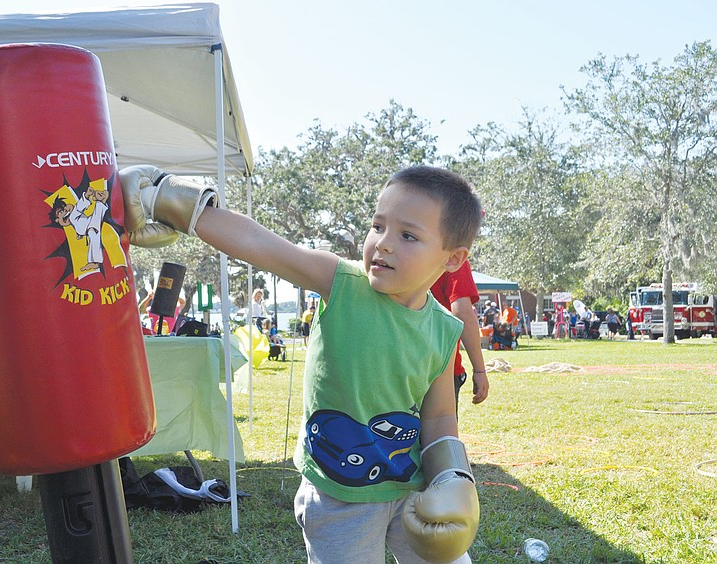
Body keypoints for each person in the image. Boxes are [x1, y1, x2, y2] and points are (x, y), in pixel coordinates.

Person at [121, 163, 482, 563]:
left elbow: (438, 418)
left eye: (408, 235)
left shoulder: (445, 329)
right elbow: (262, 245)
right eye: (378, 226)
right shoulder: (341, 283)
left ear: (453, 259)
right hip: (338, 495)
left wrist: (452, 477)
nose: (383, 243)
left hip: (413, 486)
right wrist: (176, 201)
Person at [430, 261, 489, 420]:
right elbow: (462, 311)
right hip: (440, 369)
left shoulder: (391, 251)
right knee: (438, 438)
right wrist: (479, 370)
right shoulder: (452, 257)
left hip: (391, 364)